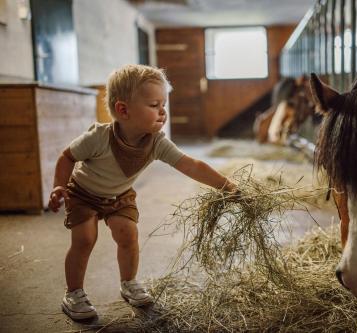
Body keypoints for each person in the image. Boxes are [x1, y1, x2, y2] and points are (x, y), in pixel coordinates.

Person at [48, 64, 236, 320]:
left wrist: (227, 185)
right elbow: (66, 156)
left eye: (164, 105)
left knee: (128, 234)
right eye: (154, 104)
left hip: (120, 195)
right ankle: (74, 293)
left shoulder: (157, 142)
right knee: (84, 238)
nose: (162, 111)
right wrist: (59, 185)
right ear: (123, 110)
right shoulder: (99, 137)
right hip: (83, 193)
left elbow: (191, 165)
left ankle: (129, 282)